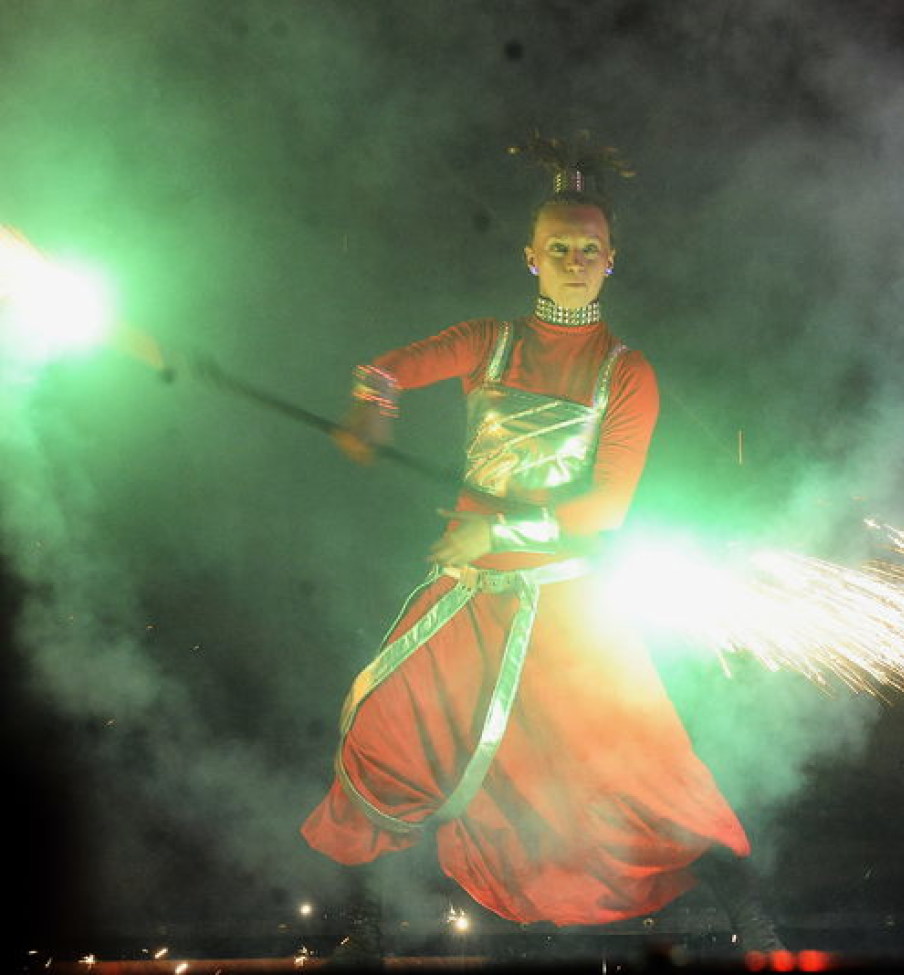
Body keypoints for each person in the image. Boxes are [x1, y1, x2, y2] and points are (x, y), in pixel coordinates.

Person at [300, 134, 782, 966]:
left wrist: (497, 528)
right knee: (387, 733)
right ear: (530, 256)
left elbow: (607, 508)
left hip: (567, 604)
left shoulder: (625, 372)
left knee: (636, 770)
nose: (573, 259)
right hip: (466, 593)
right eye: (557, 246)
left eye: (588, 248)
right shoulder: (489, 342)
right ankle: (363, 928)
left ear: (610, 261)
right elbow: (385, 369)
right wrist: (371, 408)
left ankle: (750, 913)